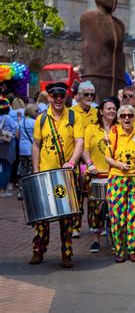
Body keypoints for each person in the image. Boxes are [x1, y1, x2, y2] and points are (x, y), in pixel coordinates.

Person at [29, 82, 85, 268]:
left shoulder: (74, 117)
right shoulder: (41, 119)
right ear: (49, 98)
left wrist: (71, 163)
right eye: (55, 96)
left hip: (64, 176)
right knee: (41, 217)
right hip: (45, 175)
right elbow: (36, 145)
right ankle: (38, 250)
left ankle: (66, 253)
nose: (59, 99)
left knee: (66, 216)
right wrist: (36, 169)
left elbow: (79, 143)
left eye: (62, 96)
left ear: (66, 97)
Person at [104, 105, 135, 263]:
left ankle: (133, 249)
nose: (127, 118)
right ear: (119, 118)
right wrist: (118, 165)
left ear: (134, 117)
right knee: (117, 216)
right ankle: (119, 249)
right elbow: (107, 157)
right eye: (123, 116)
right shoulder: (114, 134)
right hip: (118, 178)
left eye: (130, 115)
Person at [82, 97, 119, 253]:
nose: (111, 111)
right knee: (95, 209)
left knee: (113, 208)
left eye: (113, 108)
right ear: (101, 111)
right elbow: (85, 149)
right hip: (96, 174)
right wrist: (90, 164)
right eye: (108, 108)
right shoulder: (91, 128)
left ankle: (113, 238)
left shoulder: (119, 128)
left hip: (114, 175)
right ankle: (96, 240)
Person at [71, 80, 100, 238]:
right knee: (76, 196)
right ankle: (75, 227)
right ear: (79, 95)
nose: (89, 97)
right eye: (86, 94)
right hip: (76, 161)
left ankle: (94, 226)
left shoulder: (96, 112)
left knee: (92, 197)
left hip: (91, 161)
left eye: (91, 94)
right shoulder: (71, 112)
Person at [17, 104, 38, 200]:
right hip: (31, 149)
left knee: (23, 170)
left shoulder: (21, 121)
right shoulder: (34, 122)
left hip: (22, 150)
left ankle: (21, 191)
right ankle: (30, 191)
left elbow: (17, 135)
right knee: (32, 170)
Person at [0, 98, 19, 197]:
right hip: (7, 146)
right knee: (7, 168)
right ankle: (2, 190)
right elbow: (16, 132)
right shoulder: (8, 118)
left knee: (1, 168)